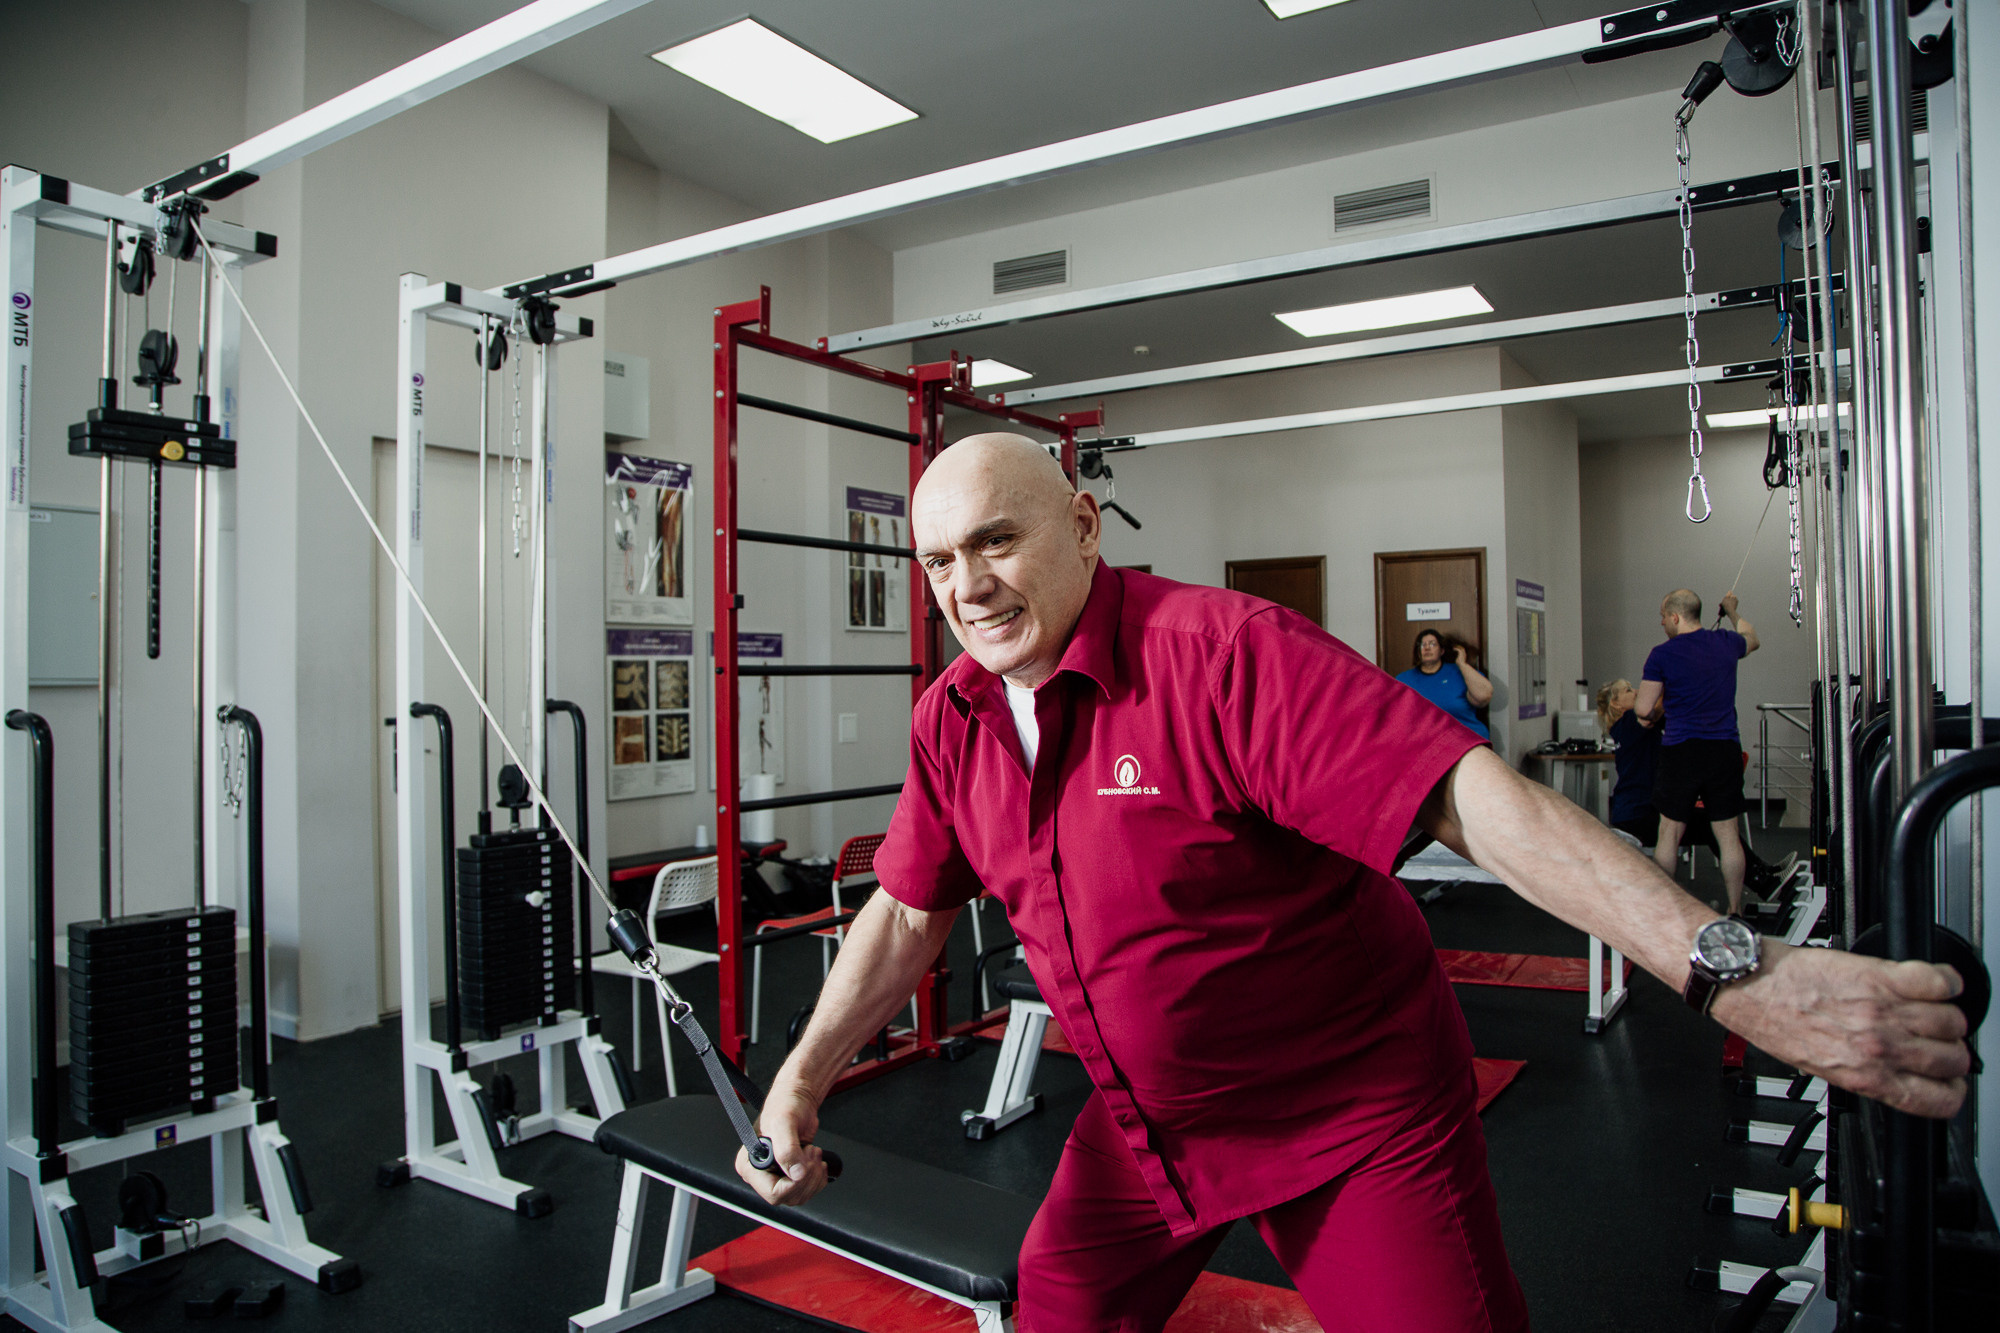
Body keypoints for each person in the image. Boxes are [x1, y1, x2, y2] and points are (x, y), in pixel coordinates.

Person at [740, 435, 1968, 1333]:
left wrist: (1731, 973)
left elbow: (1472, 803)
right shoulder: (952, 718)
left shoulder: (1220, 655)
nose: (966, 585)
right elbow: (907, 911)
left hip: (1346, 1114)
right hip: (1144, 1126)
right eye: (938, 560)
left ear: (1083, 525)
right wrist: (798, 1084)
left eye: (995, 541)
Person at [1635, 589, 1757, 915]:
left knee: (1669, 831)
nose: (1662, 623)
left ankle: (1665, 911)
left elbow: (1643, 709)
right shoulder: (1726, 642)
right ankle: (1734, 910)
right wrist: (1732, 610)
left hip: (1681, 751)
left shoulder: (1661, 655)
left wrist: (1652, 716)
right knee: (1727, 833)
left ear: (1676, 617)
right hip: (1723, 749)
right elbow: (1752, 638)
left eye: (1663, 617)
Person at [1396, 627, 1493, 740]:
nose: (1427, 648)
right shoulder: (1404, 679)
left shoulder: (1459, 672)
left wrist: (1462, 664)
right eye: (1422, 645)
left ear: (1442, 651)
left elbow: (1484, 696)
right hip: (1426, 742)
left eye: (1432, 644)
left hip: (1466, 740)